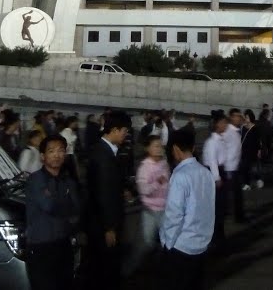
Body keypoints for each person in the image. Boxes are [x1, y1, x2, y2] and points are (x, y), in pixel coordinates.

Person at [161, 128, 216, 289]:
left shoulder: (180, 176)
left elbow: (174, 215)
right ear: (192, 148)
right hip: (202, 244)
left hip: (181, 246)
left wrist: (167, 242)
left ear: (176, 149)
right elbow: (210, 207)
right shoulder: (206, 172)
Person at [24, 135, 80, 290]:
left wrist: (57, 200)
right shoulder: (36, 179)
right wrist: (65, 200)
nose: (57, 155)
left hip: (63, 244)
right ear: (42, 156)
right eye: (51, 151)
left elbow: (76, 209)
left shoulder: (68, 181)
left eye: (61, 150)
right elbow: (48, 205)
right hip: (41, 246)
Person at [85, 113, 131, 284]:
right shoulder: (104, 155)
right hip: (103, 224)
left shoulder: (104, 150)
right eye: (124, 131)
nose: (126, 135)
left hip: (102, 221)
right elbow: (103, 194)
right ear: (114, 130)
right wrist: (109, 227)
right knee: (105, 266)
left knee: (103, 264)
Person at [126, 135, 171, 275]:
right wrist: (158, 181)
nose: (159, 148)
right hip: (150, 210)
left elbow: (169, 184)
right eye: (156, 145)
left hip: (165, 209)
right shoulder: (144, 167)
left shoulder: (165, 163)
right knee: (146, 243)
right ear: (148, 148)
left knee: (168, 242)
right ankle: (128, 269)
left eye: (160, 145)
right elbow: (143, 190)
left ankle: (162, 269)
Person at [202, 113, 228, 245]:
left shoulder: (220, 139)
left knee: (220, 207)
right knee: (216, 207)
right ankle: (216, 239)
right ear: (217, 124)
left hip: (219, 171)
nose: (225, 125)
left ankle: (219, 237)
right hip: (215, 173)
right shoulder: (212, 142)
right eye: (223, 122)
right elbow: (212, 161)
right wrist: (217, 177)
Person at [225, 108, 246, 223]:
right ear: (231, 117)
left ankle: (238, 215)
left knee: (236, 193)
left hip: (236, 166)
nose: (239, 118)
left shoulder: (238, 130)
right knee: (233, 194)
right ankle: (237, 216)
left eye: (240, 116)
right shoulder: (227, 131)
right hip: (229, 168)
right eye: (237, 116)